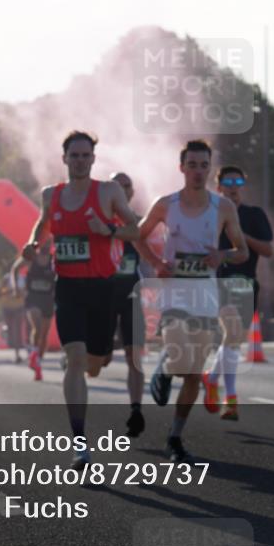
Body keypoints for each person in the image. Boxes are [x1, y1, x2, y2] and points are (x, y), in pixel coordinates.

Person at [22, 130, 140, 468]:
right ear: (64, 159)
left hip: (102, 288)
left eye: (85, 155)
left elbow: (136, 229)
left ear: (93, 159)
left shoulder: (108, 191)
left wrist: (109, 230)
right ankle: (80, 443)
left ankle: (90, 359)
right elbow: (43, 224)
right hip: (68, 288)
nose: (79, 161)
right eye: (74, 155)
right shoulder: (51, 195)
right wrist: (33, 244)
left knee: (95, 365)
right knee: (75, 359)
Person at [138, 140, 249, 463]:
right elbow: (138, 235)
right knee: (180, 355)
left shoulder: (223, 207)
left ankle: (175, 437)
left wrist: (222, 255)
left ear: (209, 169)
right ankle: (166, 366)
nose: (198, 171)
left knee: (192, 375)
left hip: (205, 296)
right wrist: (156, 263)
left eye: (203, 165)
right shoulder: (165, 204)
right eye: (192, 165)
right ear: (181, 168)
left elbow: (242, 251)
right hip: (174, 294)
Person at [200, 165, 273, 421]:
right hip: (219, 281)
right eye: (228, 182)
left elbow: (268, 250)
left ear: (243, 185)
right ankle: (231, 399)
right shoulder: (210, 214)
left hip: (247, 283)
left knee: (234, 339)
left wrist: (241, 236)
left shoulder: (254, 214)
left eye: (238, 182)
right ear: (218, 186)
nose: (233, 187)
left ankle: (211, 378)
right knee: (231, 332)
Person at [108, 172, 149, 437]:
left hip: (131, 297)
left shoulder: (141, 223)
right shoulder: (98, 220)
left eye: (127, 186)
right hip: (103, 298)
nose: (122, 190)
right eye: (117, 186)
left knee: (134, 357)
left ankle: (136, 410)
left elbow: (153, 254)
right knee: (100, 360)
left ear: (132, 192)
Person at [14, 243, 55, 380]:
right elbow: (15, 268)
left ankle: (37, 360)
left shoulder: (54, 259)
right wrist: (16, 288)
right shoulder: (31, 258)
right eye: (44, 241)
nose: (46, 244)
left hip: (48, 299)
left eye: (49, 242)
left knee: (44, 334)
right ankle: (34, 354)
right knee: (37, 328)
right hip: (33, 298)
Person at [0, 272, 27, 363]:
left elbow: (26, 293)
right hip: (7, 307)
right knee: (10, 330)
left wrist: (21, 293)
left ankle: (17, 354)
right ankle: (6, 331)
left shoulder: (22, 278)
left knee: (17, 330)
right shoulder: (6, 278)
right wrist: (9, 291)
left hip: (19, 307)